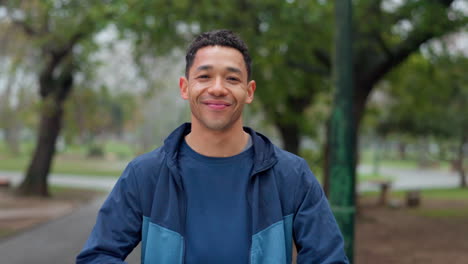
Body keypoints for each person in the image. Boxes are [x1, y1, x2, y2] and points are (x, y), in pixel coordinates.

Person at [76, 29, 349, 264]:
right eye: (204, 76)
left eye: (232, 78)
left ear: (249, 91)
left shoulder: (292, 176)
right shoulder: (145, 174)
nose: (217, 88)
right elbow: (97, 255)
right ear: (185, 87)